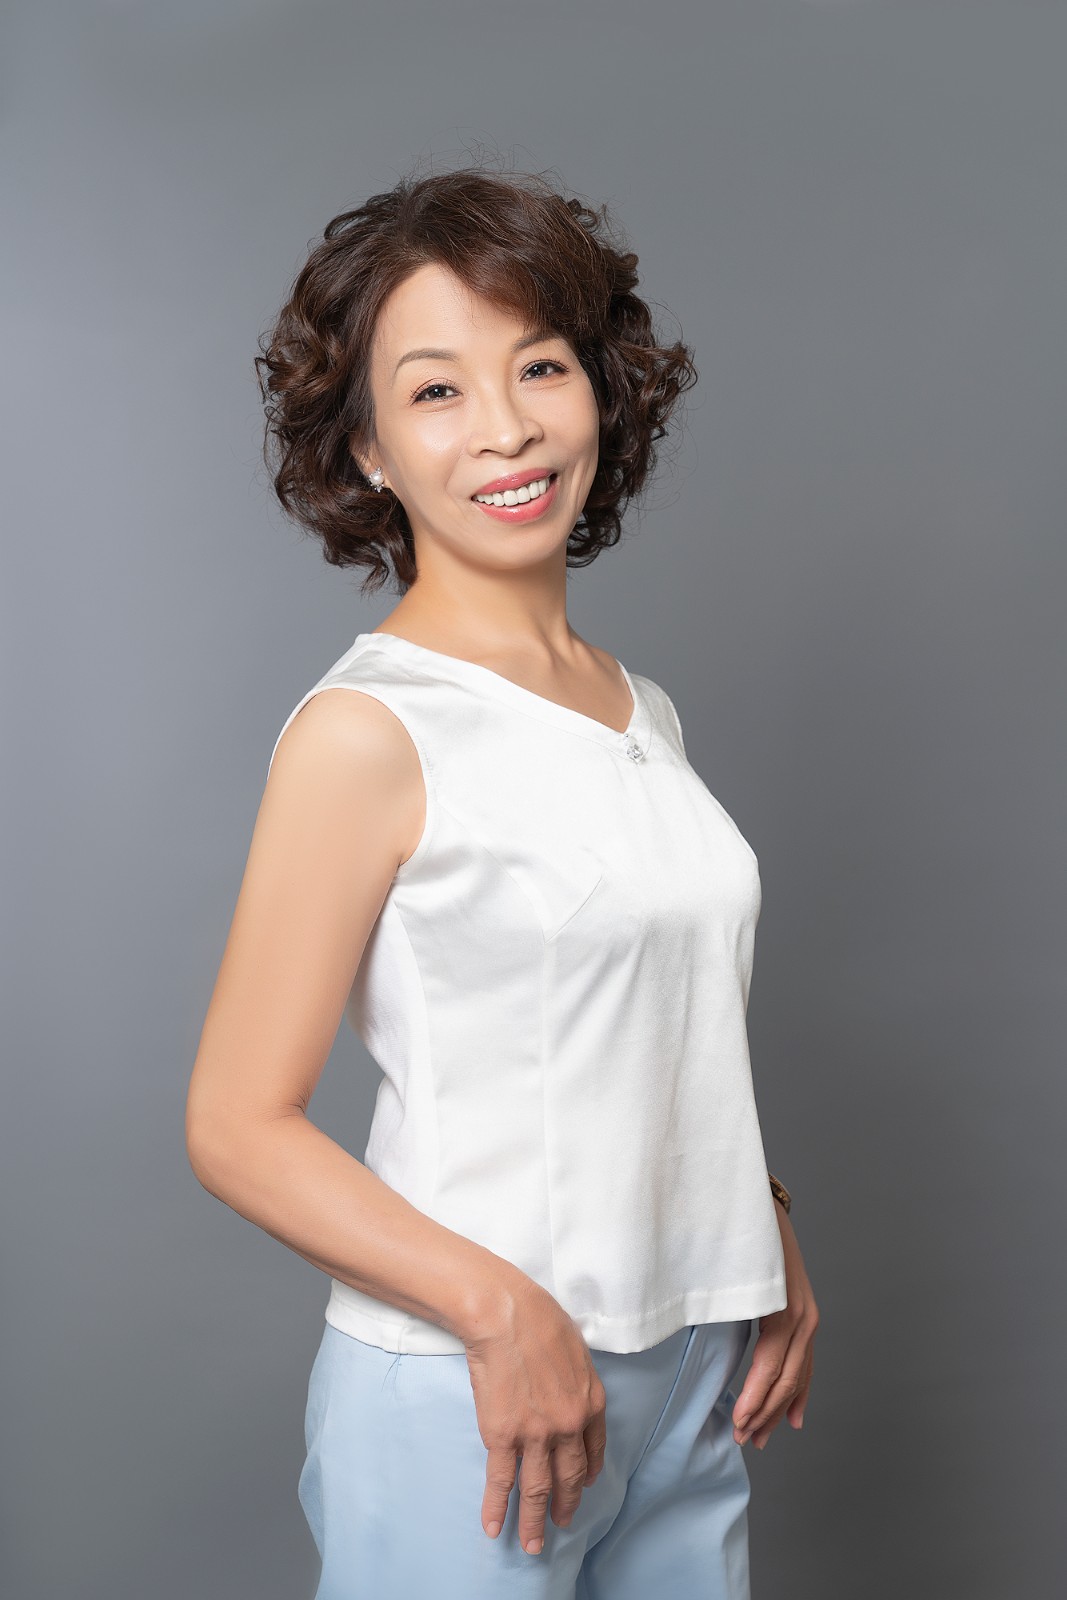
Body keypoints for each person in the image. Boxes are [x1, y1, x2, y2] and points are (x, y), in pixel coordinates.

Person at [185, 164, 819, 1599]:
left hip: (694, 1364)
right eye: (436, 391)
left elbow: (642, 1020)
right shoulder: (369, 731)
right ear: (366, 451)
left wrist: (757, 1223)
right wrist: (494, 1310)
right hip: (475, 1387)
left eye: (540, 366)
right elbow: (234, 1123)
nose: (507, 427)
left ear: (601, 391)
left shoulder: (639, 707)